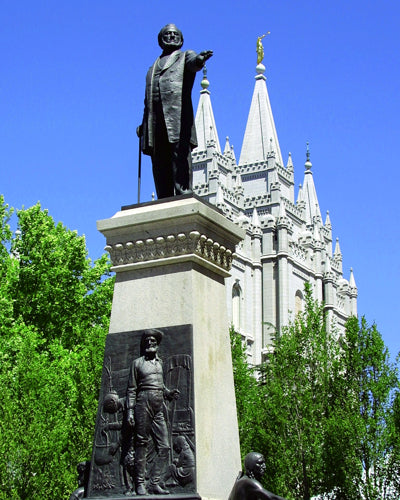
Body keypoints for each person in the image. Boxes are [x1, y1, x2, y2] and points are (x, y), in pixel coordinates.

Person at [138, 24, 213, 198]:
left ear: (180, 39)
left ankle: (183, 192)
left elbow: (193, 63)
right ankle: (163, 196)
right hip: (155, 122)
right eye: (168, 34)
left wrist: (199, 60)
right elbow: (147, 101)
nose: (171, 36)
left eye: (175, 34)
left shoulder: (184, 56)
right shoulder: (152, 68)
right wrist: (143, 125)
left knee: (179, 157)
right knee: (159, 160)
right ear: (160, 39)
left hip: (177, 118)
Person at [126, 330, 179, 495]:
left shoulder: (159, 363)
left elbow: (160, 385)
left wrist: (168, 393)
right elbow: (131, 389)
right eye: (147, 341)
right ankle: (140, 483)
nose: (150, 343)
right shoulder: (137, 363)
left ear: (157, 344)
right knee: (141, 443)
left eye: (153, 341)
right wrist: (130, 412)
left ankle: (154, 482)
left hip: (158, 404)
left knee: (164, 446)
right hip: (143, 402)